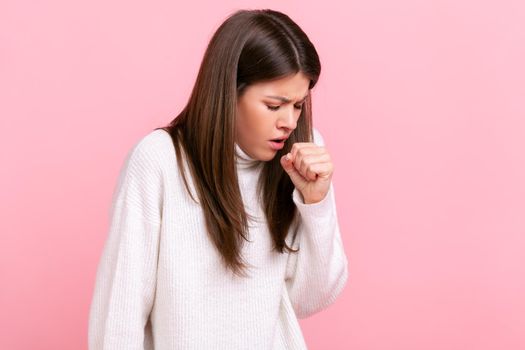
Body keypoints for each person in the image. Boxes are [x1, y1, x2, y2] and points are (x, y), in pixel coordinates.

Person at [88, 8, 348, 350]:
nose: (289, 121)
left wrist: (317, 202)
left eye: (298, 105)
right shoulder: (160, 161)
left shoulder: (299, 158)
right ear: (229, 92)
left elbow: (311, 299)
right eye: (274, 106)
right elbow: (119, 314)